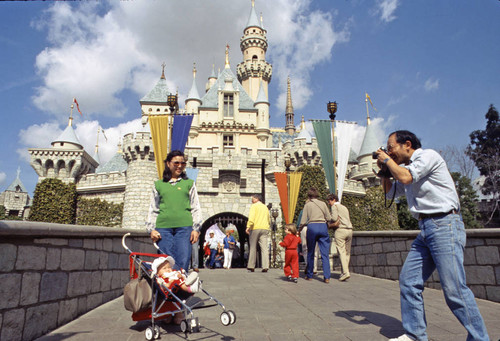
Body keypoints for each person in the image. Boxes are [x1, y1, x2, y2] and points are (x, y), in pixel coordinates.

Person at [375, 130, 489, 341]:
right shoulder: (405, 168)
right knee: (409, 282)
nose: (389, 151)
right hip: (426, 229)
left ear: (407, 144)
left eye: (391, 147)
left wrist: (388, 161)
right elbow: (390, 193)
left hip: (444, 224)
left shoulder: (427, 157)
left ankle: (480, 338)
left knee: (454, 291)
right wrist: (384, 171)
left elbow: (406, 178)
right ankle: (415, 335)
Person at [146, 150, 202, 272]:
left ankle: (181, 290)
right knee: (165, 263)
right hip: (163, 228)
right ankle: (165, 290)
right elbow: (153, 208)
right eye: (176, 163)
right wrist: (151, 229)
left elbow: (195, 207)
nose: (180, 166)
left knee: (183, 261)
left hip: (184, 228)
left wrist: (196, 229)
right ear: (168, 163)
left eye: (183, 163)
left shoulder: (189, 183)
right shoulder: (158, 185)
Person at [151, 256, 201, 325]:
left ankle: (191, 282)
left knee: (182, 281)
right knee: (179, 284)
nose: (168, 269)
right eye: (164, 268)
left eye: (169, 267)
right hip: (171, 290)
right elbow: (165, 287)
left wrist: (180, 276)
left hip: (179, 287)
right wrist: (170, 282)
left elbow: (179, 276)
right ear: (157, 273)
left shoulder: (173, 272)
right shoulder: (161, 278)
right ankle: (191, 288)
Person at [299, 187, 332, 283]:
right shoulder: (323, 204)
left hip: (312, 226)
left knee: (311, 252)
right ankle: (327, 277)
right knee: (325, 254)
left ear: (309, 196)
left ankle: (309, 275)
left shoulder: (307, 205)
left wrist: (299, 229)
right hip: (322, 227)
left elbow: (303, 220)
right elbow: (329, 217)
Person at [327, 193, 353, 282]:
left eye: (329, 201)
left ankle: (346, 272)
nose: (329, 203)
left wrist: (329, 218)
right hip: (349, 230)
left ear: (333, 200)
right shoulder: (344, 207)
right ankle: (343, 272)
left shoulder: (334, 206)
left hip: (340, 230)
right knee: (347, 252)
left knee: (341, 251)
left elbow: (334, 218)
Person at [245, 194, 271, 272]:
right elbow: (268, 218)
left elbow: (252, 217)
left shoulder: (254, 206)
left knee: (253, 247)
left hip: (255, 227)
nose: (252, 200)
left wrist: (248, 226)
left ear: (256, 199)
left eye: (252, 198)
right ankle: (265, 266)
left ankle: (251, 266)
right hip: (264, 228)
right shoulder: (265, 207)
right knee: (264, 248)